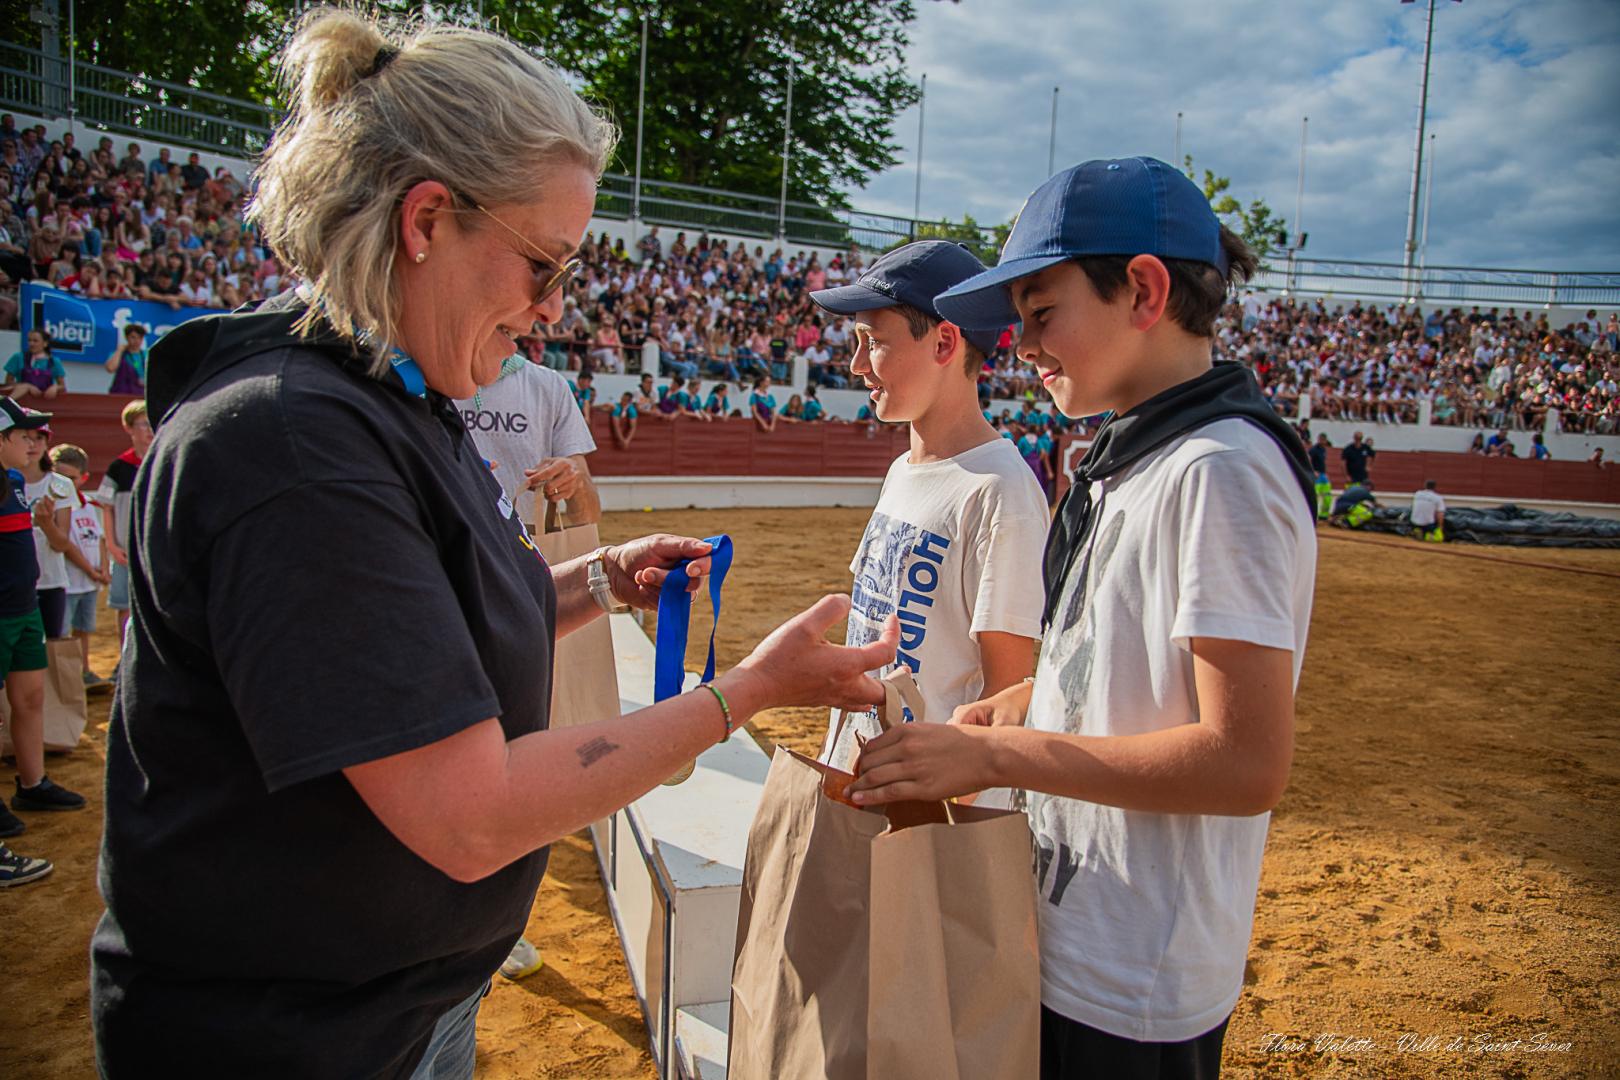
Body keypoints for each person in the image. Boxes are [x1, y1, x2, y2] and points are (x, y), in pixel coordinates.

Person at [91, 14, 898, 1076]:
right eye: (542, 266)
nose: (552, 310)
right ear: (427, 219)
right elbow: (470, 818)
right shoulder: (298, 450)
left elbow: (423, 625)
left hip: (377, 1009)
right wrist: (743, 692)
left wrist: (597, 581)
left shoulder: (378, 401)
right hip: (296, 1039)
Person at [848, 157, 1318, 1079]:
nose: (1020, 341)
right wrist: (1023, 703)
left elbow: (1246, 761)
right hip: (1073, 930)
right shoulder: (1141, 455)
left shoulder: (1218, 471)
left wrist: (993, 755)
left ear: (1143, 289)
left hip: (1133, 980)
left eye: (1041, 312)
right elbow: (1117, 671)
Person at [809, 240, 1048, 809]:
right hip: (862, 787)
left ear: (945, 341)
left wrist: (940, 826)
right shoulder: (903, 470)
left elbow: (1002, 695)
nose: (857, 364)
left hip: (928, 817)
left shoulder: (1000, 492)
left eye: (875, 343)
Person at [0, 399, 86, 862]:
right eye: (24, 435)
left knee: (30, 698)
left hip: (23, 606)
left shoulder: (14, 481)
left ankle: (32, 784)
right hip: (3, 611)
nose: (33, 443)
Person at [46, 443, 111, 687]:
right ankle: (65, 678)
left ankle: (83, 671)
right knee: (62, 636)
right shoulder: (55, 507)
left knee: (83, 630)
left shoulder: (89, 506)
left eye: (71, 478)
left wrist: (104, 569)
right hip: (69, 582)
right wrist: (90, 570)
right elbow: (67, 546)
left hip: (89, 583)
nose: (66, 483)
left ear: (83, 478)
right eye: (60, 476)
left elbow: (101, 539)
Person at [93, 399, 152, 648]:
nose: (149, 430)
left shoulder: (160, 460)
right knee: (124, 606)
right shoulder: (119, 467)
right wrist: (113, 546)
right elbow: (106, 507)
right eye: (143, 424)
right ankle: (124, 657)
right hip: (125, 552)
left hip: (152, 549)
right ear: (129, 428)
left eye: (152, 424)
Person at [4, 329, 67, 400]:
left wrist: (55, 387)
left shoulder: (54, 361)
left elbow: (62, 387)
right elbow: (8, 383)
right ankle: (5, 403)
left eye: (35, 341)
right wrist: (26, 386)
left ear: (45, 343)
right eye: (29, 340)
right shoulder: (18, 357)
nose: (31, 343)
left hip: (44, 402)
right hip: (21, 401)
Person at [106, 322, 149, 395]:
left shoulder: (147, 355)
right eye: (133, 337)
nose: (137, 341)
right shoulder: (119, 353)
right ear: (126, 337)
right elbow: (110, 368)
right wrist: (119, 351)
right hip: (121, 394)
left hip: (141, 395)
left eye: (140, 337)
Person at [1308, 432, 1332, 520]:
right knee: (1315, 496)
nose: (1322, 441)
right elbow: (1308, 459)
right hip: (1317, 475)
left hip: (1323, 474)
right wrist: (1312, 471)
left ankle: (1324, 515)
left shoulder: (1323, 450)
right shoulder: (1314, 449)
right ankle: (1312, 515)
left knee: (1327, 496)